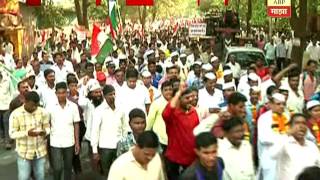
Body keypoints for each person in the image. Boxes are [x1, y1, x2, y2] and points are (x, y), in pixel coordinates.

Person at [9, 91, 50, 180]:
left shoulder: (43, 112)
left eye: (36, 105)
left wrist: (45, 132)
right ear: (25, 101)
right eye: (32, 105)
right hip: (24, 152)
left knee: (40, 176)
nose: (34, 107)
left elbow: (47, 127)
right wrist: (27, 133)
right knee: (23, 177)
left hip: (40, 151)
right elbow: (12, 133)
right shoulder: (16, 114)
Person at [162, 84, 200, 180]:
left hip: (192, 160)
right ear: (178, 99)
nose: (191, 100)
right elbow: (166, 113)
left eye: (192, 97)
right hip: (175, 160)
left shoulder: (193, 112)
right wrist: (178, 93)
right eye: (187, 98)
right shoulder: (172, 115)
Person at [91, 85, 126, 177]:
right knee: (107, 173)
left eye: (114, 94)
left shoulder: (120, 108)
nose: (113, 96)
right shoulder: (99, 111)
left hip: (119, 146)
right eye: (110, 94)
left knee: (119, 173)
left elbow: (124, 127)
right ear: (105, 95)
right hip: (105, 147)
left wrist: (124, 141)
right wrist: (95, 151)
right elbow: (95, 131)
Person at [47, 82, 80, 180]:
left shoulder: (73, 106)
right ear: (56, 93)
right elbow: (47, 122)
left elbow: (76, 124)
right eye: (59, 93)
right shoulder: (50, 106)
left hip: (69, 141)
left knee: (68, 167)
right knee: (57, 168)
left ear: (67, 93)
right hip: (55, 142)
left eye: (63, 92)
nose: (61, 95)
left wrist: (77, 142)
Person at [272, 114, 320, 180]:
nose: (301, 126)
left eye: (304, 123)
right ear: (290, 126)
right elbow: (272, 155)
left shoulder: (311, 145)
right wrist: (287, 134)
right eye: (297, 123)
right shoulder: (284, 142)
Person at [257, 93, 290, 180]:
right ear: (271, 104)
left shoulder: (287, 116)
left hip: (284, 157)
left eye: (283, 104)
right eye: (278, 104)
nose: (282, 106)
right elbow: (264, 138)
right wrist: (284, 139)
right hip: (270, 157)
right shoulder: (264, 118)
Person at [146, 80, 173, 151]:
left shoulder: (176, 102)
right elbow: (150, 120)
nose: (168, 92)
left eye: (170, 89)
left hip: (173, 139)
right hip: (159, 138)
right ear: (161, 91)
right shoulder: (156, 103)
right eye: (166, 90)